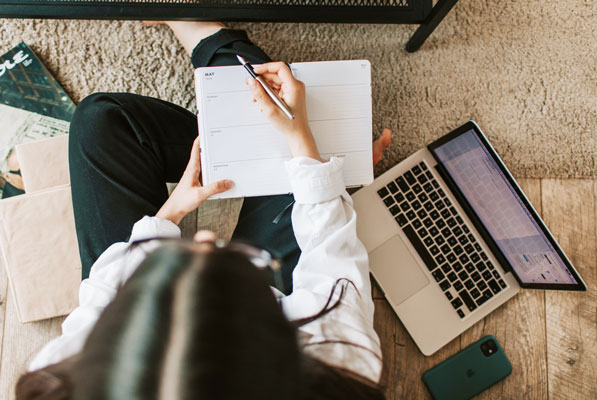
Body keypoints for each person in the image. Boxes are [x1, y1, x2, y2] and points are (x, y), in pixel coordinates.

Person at [16, 21, 392, 399]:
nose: (207, 236)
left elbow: (101, 296)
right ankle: (201, 30)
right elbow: (333, 261)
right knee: (310, 155)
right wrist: (305, 145)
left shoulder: (63, 379)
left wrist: (169, 215)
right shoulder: (340, 369)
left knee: (101, 118)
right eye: (235, 264)